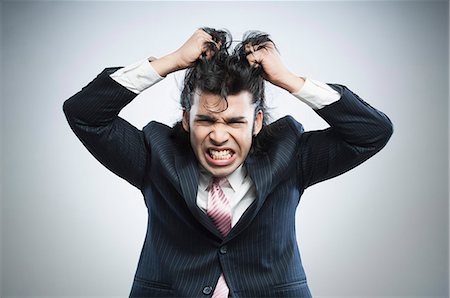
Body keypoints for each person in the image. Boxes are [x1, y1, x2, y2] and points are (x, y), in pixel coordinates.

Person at [63, 27, 393, 298]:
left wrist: (289, 80)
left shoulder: (291, 154)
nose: (219, 136)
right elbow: (85, 114)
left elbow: (371, 132)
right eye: (206, 120)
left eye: (235, 122)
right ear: (186, 121)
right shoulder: (154, 154)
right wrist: (172, 61)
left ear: (258, 122)